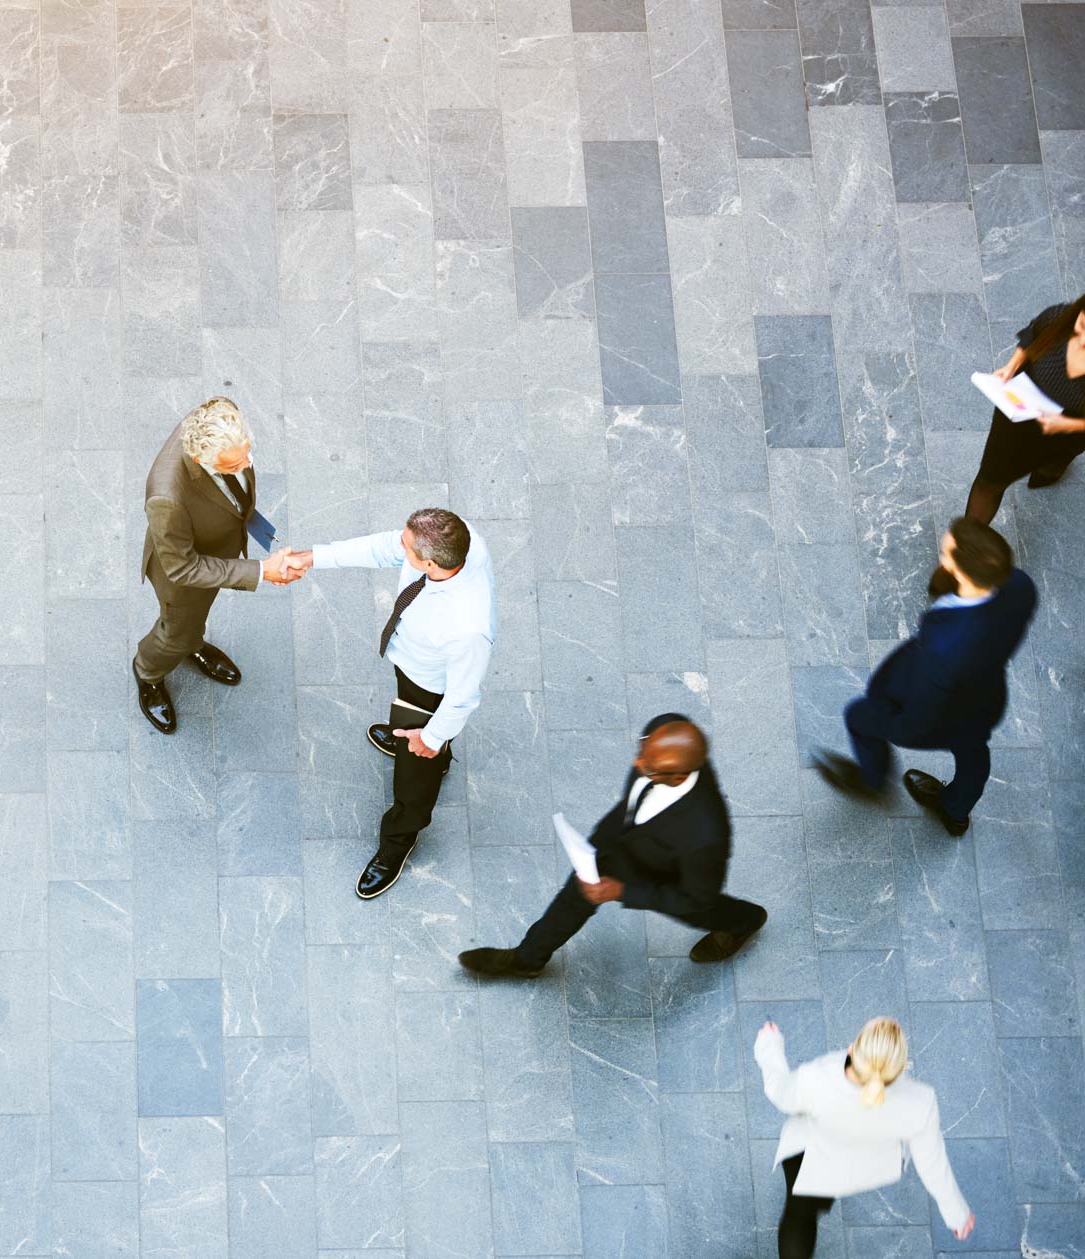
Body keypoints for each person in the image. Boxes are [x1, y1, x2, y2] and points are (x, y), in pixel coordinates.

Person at [458, 714, 766, 977]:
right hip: (625, 840)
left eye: (648, 765)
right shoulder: (665, 732)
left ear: (678, 777)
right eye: (642, 751)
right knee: (576, 893)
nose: (637, 762)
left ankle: (743, 921)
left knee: (700, 910)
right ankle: (527, 960)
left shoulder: (705, 835)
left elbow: (695, 899)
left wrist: (620, 891)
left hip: (671, 865)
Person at [288, 509, 494, 898]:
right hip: (413, 665)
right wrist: (312, 556)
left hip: (432, 692)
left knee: (415, 779)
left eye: (406, 546)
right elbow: (383, 547)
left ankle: (397, 844)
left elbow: (463, 697)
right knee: (407, 723)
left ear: (430, 563)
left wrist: (430, 738)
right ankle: (419, 744)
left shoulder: (467, 627)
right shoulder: (458, 543)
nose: (397, 546)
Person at [813, 518, 1036, 837]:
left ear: (960, 570)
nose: (940, 549)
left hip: (942, 708)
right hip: (985, 700)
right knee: (973, 752)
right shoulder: (1020, 586)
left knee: (859, 716)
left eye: (945, 550)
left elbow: (917, 720)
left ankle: (872, 781)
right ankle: (956, 811)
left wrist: (893, 726)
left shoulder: (945, 649)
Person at [133, 397, 304, 735]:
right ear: (200, 459)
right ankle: (148, 671)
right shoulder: (166, 497)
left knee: (195, 621)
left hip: (215, 547)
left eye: (247, 456)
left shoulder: (221, 412)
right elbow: (182, 568)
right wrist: (260, 571)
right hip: (183, 576)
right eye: (231, 467)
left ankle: (193, 644)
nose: (245, 466)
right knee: (174, 632)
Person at [754, 1017, 975, 1258]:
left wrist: (770, 1047)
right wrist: (956, 1214)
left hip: (810, 1163)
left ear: (852, 1049)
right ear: (899, 1067)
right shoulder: (920, 1101)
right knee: (812, 1206)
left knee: (799, 1217)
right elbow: (932, 1163)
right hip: (863, 1168)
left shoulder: (817, 1079)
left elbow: (781, 1093)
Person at [962, 295, 1085, 525]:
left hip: (1068, 427)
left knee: (1055, 461)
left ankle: (1050, 470)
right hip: (1019, 410)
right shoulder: (1060, 317)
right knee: (990, 479)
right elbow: (1034, 334)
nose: (1083, 341)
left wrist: (1067, 425)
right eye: (1083, 326)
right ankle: (968, 545)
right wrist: (1012, 365)